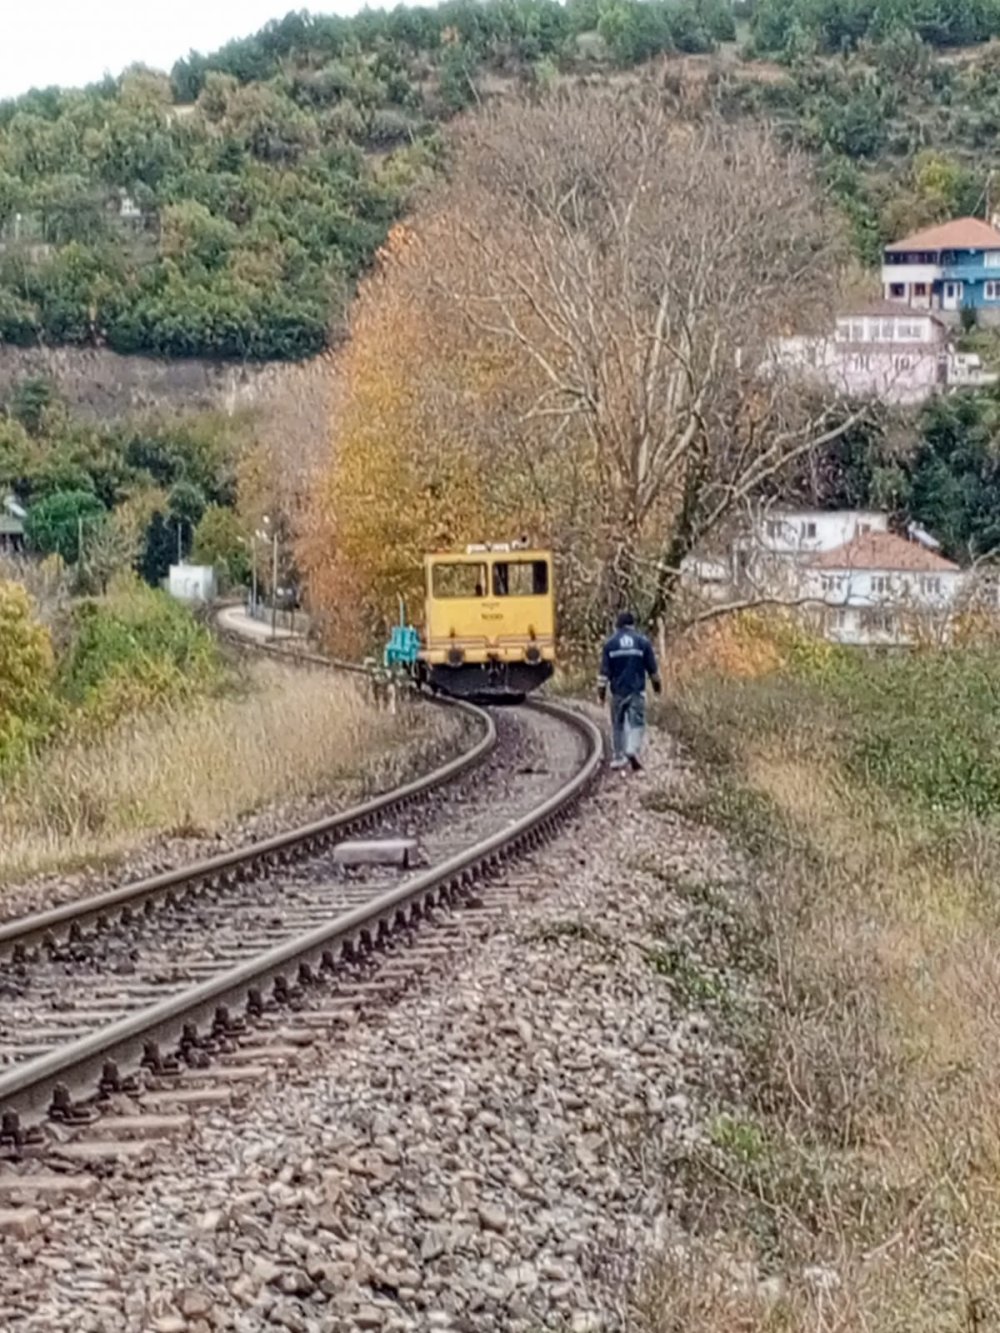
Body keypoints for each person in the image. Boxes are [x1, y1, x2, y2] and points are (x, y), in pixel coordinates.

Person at [597, 611, 661, 772]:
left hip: (618, 692)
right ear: (632, 626)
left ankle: (618, 757)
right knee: (637, 723)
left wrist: (601, 694)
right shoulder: (642, 642)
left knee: (617, 725)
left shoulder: (610, 644)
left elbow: (604, 674)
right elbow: (653, 670)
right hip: (636, 691)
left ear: (617, 626)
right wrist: (657, 687)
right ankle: (632, 749)